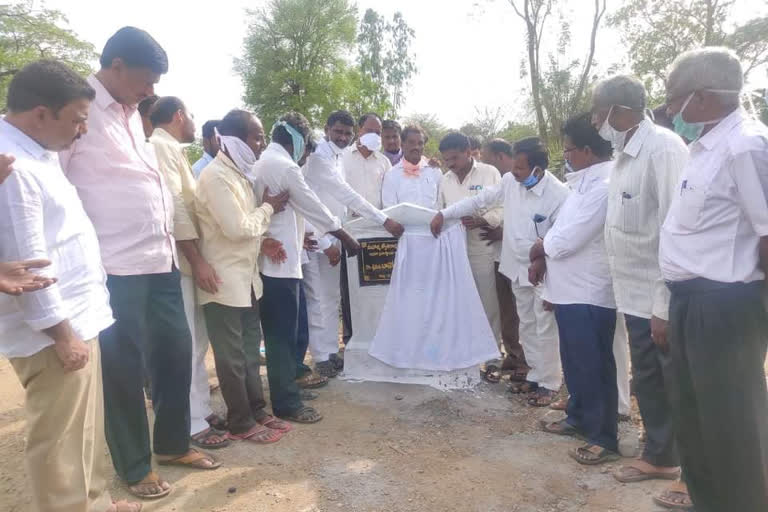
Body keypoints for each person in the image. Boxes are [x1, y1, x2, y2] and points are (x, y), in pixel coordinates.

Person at [60, 27, 219, 500]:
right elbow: (54, 180)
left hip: (160, 259)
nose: (151, 92)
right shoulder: (77, 109)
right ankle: (133, 465)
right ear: (116, 67)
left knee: (175, 353)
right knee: (123, 369)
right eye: (145, 81)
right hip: (112, 267)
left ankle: (171, 444)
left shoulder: (132, 114)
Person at [0, 60, 141, 512]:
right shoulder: (13, 166)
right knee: (59, 444)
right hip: (55, 332)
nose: (82, 131)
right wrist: (62, 335)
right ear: (41, 113)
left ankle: (93, 503)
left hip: (77, 318)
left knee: (83, 431)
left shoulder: (36, 151)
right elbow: (29, 267)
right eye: (78, 119)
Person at [662, 47, 768, 512]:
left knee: (732, 426)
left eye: (674, 98)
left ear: (703, 97)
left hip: (726, 306)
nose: (670, 110)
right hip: (689, 301)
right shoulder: (702, 148)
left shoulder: (745, 145)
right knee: (695, 420)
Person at [590, 75, 687, 487]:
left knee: (670, 380)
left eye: (598, 112)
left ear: (618, 111)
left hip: (657, 296)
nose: (596, 121)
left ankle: (679, 459)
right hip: (631, 293)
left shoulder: (663, 150)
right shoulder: (623, 155)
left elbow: (674, 228)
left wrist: (663, 306)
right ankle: (658, 454)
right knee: (647, 378)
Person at [432, 137, 568, 407]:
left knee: (545, 325)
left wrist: (543, 258)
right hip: (515, 266)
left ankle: (550, 383)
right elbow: (480, 199)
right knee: (526, 323)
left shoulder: (559, 195)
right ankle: (534, 374)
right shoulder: (509, 182)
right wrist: (444, 214)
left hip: (543, 270)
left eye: (519, 168)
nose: (513, 173)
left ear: (537, 170)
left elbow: (561, 235)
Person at [251, 112, 360, 424]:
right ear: (298, 140)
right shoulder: (284, 166)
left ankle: (289, 388)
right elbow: (314, 205)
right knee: (280, 335)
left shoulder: (269, 160)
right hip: (279, 263)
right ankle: (286, 403)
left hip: (283, 259)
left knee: (285, 332)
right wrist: (345, 238)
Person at [195, 109, 294, 443]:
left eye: (262, 136)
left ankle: (257, 410)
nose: (261, 143)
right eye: (256, 136)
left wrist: (264, 234)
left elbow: (249, 230)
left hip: (247, 279)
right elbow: (238, 229)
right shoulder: (215, 177)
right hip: (222, 281)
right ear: (235, 138)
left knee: (251, 350)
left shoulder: (239, 175)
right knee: (232, 356)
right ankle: (240, 421)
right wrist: (268, 208)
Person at [533, 113, 620, 465]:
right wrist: (546, 246)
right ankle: (578, 417)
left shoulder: (604, 185)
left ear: (587, 150)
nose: (565, 155)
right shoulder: (580, 184)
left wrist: (541, 246)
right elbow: (560, 230)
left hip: (590, 292)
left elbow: (568, 239)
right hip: (568, 290)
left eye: (569, 149)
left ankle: (604, 437)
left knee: (594, 365)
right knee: (575, 362)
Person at [149, 96, 229, 450]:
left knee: (197, 342)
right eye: (192, 115)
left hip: (188, 260)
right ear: (179, 115)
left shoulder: (172, 149)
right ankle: (192, 423)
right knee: (185, 345)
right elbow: (176, 209)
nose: (196, 123)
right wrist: (197, 261)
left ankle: (200, 409)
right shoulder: (159, 146)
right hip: (181, 262)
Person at [303, 111, 403, 375]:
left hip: (335, 233)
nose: (343, 137)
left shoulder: (336, 156)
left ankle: (330, 352)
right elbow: (346, 194)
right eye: (338, 132)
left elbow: (340, 203)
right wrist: (384, 220)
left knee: (332, 297)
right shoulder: (318, 158)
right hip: (316, 236)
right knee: (318, 299)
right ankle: (321, 357)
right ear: (326, 129)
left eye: (346, 133)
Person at [437, 132, 503, 355]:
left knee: (488, 304)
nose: (450, 164)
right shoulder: (445, 180)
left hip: (482, 248)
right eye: (446, 160)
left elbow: (502, 207)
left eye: (454, 158)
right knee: (458, 302)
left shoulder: (489, 173)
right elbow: (441, 213)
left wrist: (483, 220)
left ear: (468, 152)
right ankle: (464, 351)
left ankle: (492, 353)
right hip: (453, 252)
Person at [480, 139, 528, 379]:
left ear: (500, 157)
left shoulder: (524, 179)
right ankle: (513, 354)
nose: (483, 164)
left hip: (522, 257)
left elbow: (525, 217)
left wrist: (504, 230)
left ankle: (527, 362)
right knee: (507, 309)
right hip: (499, 255)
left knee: (523, 310)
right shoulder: (503, 181)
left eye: (486, 159)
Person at [381, 124, 443, 209]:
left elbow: (441, 203)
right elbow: (389, 208)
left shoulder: (435, 171)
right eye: (411, 142)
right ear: (402, 145)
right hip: (402, 222)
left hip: (433, 222)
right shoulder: (391, 175)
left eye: (420, 143)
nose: (416, 147)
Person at [342, 112, 393, 210]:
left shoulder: (384, 162)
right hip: (347, 221)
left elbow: (389, 195)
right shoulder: (342, 157)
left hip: (376, 222)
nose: (373, 135)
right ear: (359, 130)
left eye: (377, 133)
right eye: (369, 131)